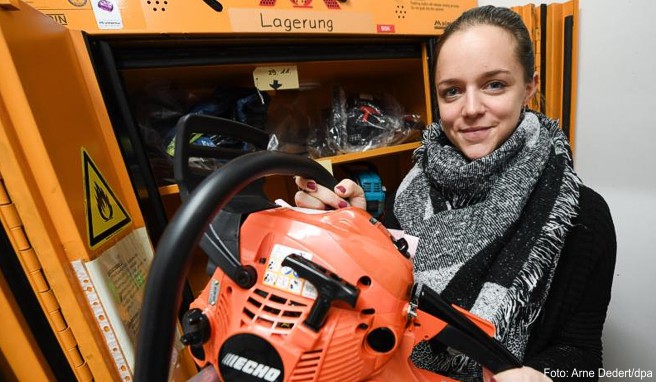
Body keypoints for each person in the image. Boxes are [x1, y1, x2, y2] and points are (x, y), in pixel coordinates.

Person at [294, 5, 616, 382]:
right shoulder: (410, 194)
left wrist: (541, 376)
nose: (472, 109)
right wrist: (355, 231)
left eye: (494, 84)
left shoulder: (582, 215)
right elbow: (376, 313)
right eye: (452, 91)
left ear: (530, 86)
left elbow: (582, 353)